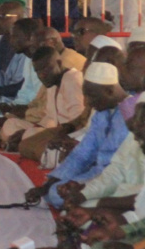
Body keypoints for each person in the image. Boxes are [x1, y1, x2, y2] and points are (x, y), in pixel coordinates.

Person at [26, 62, 130, 208]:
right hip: (98, 174)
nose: (88, 103)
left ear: (110, 91)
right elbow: (82, 154)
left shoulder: (134, 114)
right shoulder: (102, 112)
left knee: (65, 195)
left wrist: (82, 187)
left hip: (123, 181)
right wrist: (49, 184)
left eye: (92, 96)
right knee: (55, 192)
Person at [0, 45, 85, 153]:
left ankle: (27, 145)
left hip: (70, 135)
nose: (41, 75)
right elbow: (50, 118)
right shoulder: (52, 84)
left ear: (59, 63)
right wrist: (34, 130)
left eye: (46, 68)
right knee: (11, 124)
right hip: (53, 131)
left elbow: (79, 122)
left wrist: (33, 134)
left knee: (28, 136)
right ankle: (27, 144)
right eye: (37, 71)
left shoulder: (72, 79)